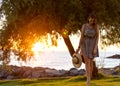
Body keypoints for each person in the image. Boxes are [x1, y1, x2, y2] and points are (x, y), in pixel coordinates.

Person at [75, 13, 99, 86]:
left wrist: (95, 48)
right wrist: (78, 48)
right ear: (88, 19)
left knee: (91, 63)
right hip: (84, 45)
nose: (92, 21)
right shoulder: (84, 26)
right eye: (91, 19)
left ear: (94, 21)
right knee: (87, 62)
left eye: (93, 20)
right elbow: (81, 37)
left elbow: (97, 38)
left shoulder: (96, 27)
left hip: (92, 45)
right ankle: (88, 80)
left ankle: (89, 78)